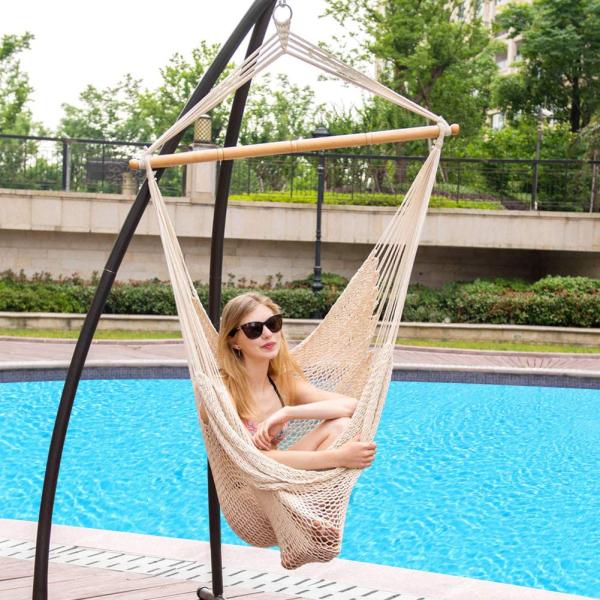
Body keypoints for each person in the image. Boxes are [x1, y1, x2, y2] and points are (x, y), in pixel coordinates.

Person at [200, 292, 376, 471]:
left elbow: (354, 406)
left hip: (284, 477)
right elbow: (251, 458)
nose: (268, 334)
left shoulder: (282, 384)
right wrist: (337, 458)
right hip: (250, 482)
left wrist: (288, 413)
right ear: (234, 342)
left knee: (341, 426)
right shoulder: (220, 391)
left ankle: (316, 486)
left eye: (273, 324)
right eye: (254, 329)